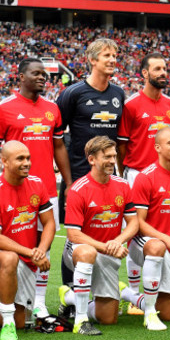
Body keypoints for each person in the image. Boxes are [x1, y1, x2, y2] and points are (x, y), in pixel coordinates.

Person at [0, 58, 71, 319]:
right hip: (13, 192)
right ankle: (19, 299)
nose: (43, 78)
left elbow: (59, 147)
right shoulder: (2, 109)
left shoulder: (52, 109)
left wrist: (68, 182)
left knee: (43, 244)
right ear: (21, 77)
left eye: (45, 75)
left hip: (45, 189)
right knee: (19, 244)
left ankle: (40, 303)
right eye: (36, 73)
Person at [56, 38, 125, 295]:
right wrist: (69, 180)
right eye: (106, 55)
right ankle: (69, 291)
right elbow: (57, 138)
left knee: (104, 226)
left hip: (107, 176)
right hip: (78, 174)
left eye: (114, 55)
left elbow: (119, 140)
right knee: (75, 234)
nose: (112, 60)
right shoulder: (73, 93)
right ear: (92, 60)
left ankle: (100, 288)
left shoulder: (118, 94)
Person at [117, 52, 170, 311]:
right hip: (137, 173)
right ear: (144, 73)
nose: (163, 72)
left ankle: (164, 290)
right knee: (136, 232)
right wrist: (127, 173)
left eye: (165, 68)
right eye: (157, 69)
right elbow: (122, 145)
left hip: (164, 178)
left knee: (161, 227)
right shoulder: (131, 105)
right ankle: (132, 293)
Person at [59, 136, 138, 335]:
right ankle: (81, 319)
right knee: (87, 252)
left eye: (114, 156)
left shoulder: (122, 185)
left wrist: (117, 241)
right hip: (79, 249)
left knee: (108, 319)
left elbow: (134, 222)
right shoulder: (79, 189)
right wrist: (106, 247)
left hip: (108, 250)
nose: (112, 160)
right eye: (107, 156)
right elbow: (74, 234)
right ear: (92, 159)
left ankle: (68, 296)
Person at [119, 127, 170, 330]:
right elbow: (139, 223)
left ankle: (128, 294)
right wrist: (167, 240)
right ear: (157, 147)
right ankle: (150, 313)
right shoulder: (146, 177)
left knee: (169, 313)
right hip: (143, 244)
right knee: (156, 247)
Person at [0, 141, 56, 340]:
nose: (26, 163)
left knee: (23, 321)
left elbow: (49, 223)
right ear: (3, 161)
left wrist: (40, 250)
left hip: (28, 254)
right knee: (10, 258)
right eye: (20, 158)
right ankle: (7, 322)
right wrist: (30, 252)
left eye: (28, 158)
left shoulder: (37, 184)